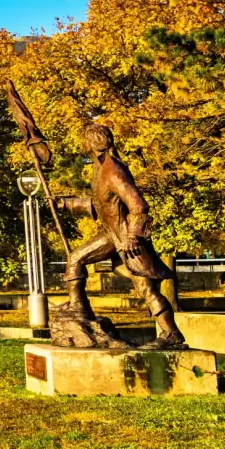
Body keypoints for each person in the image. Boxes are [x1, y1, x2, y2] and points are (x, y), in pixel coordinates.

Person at [54, 123, 186, 348]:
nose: (82, 144)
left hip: (126, 238)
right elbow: (102, 205)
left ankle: (171, 334)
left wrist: (133, 236)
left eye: (85, 139)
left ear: (94, 143)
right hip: (112, 234)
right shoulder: (100, 169)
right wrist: (66, 204)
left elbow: (138, 205)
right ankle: (78, 307)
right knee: (79, 259)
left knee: (143, 287)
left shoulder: (112, 171)